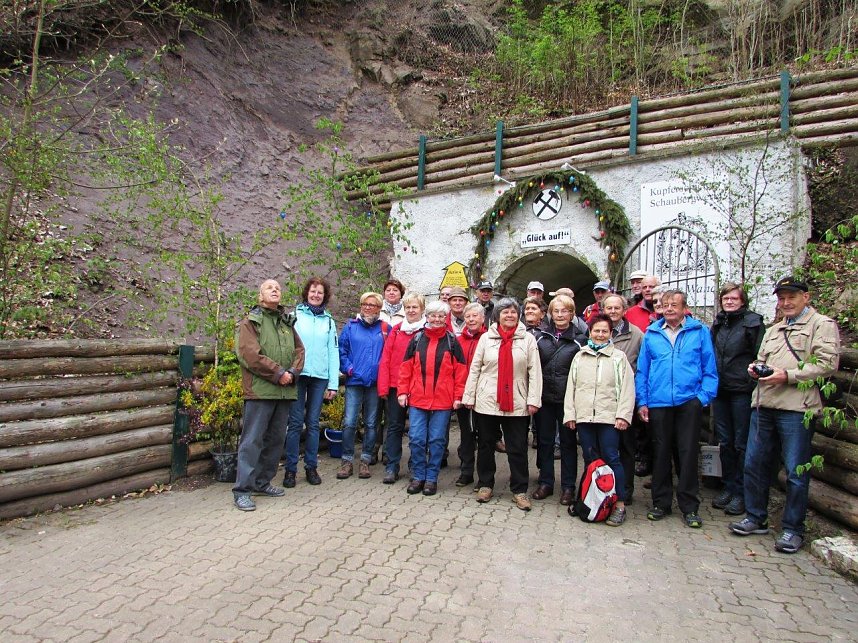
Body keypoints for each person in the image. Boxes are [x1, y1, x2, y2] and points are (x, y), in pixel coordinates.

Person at [730, 277, 840, 554]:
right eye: (781, 298)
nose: (786, 302)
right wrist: (757, 368)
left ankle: (793, 529)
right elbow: (763, 359)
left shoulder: (821, 325)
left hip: (796, 408)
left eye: (791, 297)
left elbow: (827, 364)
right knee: (754, 464)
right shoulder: (775, 329)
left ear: (806, 297)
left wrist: (788, 375)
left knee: (794, 471)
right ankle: (756, 517)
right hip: (764, 404)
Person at [636, 289, 718, 528]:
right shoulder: (652, 333)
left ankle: (690, 506)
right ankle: (661, 503)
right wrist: (643, 401)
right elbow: (643, 370)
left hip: (687, 402)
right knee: (660, 454)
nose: (669, 308)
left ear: (684, 308)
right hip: (659, 402)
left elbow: (709, 369)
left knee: (688, 454)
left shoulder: (699, 332)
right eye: (665, 304)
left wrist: (701, 399)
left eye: (674, 304)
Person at [462, 298, 542, 511]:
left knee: (517, 448)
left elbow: (535, 372)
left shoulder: (527, 340)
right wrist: (469, 396)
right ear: (497, 316)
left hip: (517, 400)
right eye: (505, 312)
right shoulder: (486, 338)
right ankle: (486, 484)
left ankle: (519, 490)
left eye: (513, 312)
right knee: (486, 445)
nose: (509, 315)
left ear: (518, 316)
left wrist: (534, 399)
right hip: (487, 399)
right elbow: (475, 368)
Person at [232, 279, 305, 511]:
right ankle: (242, 490)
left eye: (278, 288)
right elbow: (249, 355)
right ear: (260, 295)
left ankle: (262, 483)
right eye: (269, 288)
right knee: (252, 440)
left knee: (275, 440)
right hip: (260, 391)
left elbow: (299, 350)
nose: (275, 290)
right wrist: (278, 373)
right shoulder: (251, 322)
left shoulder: (286, 322)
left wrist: (293, 371)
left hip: (284, 392)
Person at [564, 313, 636, 526]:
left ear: (611, 333)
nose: (600, 334)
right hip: (585, 417)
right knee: (590, 461)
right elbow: (572, 387)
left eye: (605, 331)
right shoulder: (580, 356)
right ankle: (591, 501)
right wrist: (571, 414)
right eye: (596, 331)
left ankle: (619, 504)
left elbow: (627, 388)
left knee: (612, 459)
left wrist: (623, 415)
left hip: (608, 418)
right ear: (590, 332)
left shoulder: (618, 358)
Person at [398, 301, 468, 496]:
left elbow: (460, 372)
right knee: (416, 439)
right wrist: (402, 391)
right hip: (418, 399)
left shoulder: (452, 342)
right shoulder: (416, 339)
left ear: (444, 318)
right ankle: (418, 476)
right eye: (433, 315)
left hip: (442, 401)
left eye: (440, 316)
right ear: (427, 317)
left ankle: (431, 478)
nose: (436, 319)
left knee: (437, 440)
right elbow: (405, 368)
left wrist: (458, 396)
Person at [710, 283, 764, 516]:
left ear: (742, 301)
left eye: (734, 298)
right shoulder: (719, 323)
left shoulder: (752, 323)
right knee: (725, 442)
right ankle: (729, 487)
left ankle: (741, 493)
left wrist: (751, 381)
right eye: (726, 298)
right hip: (721, 389)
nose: (729, 302)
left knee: (742, 443)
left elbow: (760, 355)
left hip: (742, 390)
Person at [282, 277, 339, 489]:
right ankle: (290, 470)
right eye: (313, 291)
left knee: (313, 424)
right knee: (295, 423)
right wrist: (287, 372)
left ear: (325, 296)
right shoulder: (294, 316)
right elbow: (286, 346)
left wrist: (333, 383)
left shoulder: (329, 321)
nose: (316, 295)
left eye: (320, 293)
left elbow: (333, 352)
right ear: (307, 293)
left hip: (320, 377)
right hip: (298, 375)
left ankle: (311, 467)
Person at [532, 294, 585, 506]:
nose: (560, 315)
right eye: (556, 311)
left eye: (565, 311)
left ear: (572, 314)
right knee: (544, 442)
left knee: (568, 443)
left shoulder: (580, 339)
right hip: (544, 398)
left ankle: (568, 487)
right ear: (550, 314)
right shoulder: (540, 337)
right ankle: (546, 482)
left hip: (567, 400)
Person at [337, 291, 388, 480]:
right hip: (354, 381)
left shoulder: (385, 328)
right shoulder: (351, 327)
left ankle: (365, 460)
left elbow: (389, 355)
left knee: (371, 423)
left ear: (379, 308)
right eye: (365, 304)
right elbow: (342, 350)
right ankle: (347, 460)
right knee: (350, 422)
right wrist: (349, 369)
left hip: (374, 383)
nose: (368, 307)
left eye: (372, 305)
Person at [377, 292, 426, 484]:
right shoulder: (396, 331)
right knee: (394, 427)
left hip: (419, 388)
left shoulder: (428, 331)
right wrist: (383, 387)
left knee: (416, 431)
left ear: (422, 309)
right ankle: (392, 466)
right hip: (395, 387)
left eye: (415, 307)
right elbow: (386, 359)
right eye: (408, 307)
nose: (411, 310)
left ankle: (415, 466)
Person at [602, 293, 644, 504]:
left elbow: (642, 366)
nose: (613, 312)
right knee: (604, 447)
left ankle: (625, 489)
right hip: (602, 399)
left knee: (626, 446)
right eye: (609, 308)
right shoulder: (597, 332)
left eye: (616, 308)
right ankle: (603, 488)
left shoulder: (636, 335)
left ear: (624, 310)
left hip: (625, 398)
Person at [454, 303, 487, 487]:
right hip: (463, 393)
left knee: (484, 437)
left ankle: (484, 477)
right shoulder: (458, 341)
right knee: (466, 434)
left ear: (482, 318)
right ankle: (466, 471)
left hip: (483, 396)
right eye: (468, 317)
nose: (471, 320)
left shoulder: (489, 338)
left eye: (475, 316)